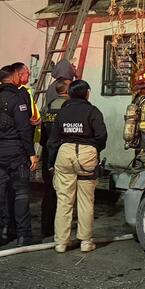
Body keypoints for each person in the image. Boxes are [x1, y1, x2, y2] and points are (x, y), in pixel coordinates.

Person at [47, 80, 107, 253]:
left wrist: (51, 163)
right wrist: (93, 148)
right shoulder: (93, 111)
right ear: (86, 93)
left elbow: (53, 139)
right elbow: (102, 136)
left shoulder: (63, 112)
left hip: (65, 153)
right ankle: (86, 242)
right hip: (87, 154)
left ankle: (60, 242)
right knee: (86, 200)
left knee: (64, 200)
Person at [0, 65, 38, 250]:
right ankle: (23, 235)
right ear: (14, 77)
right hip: (16, 153)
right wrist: (31, 153)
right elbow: (24, 130)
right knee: (21, 194)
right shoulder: (17, 101)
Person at [40, 76, 71, 238]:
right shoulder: (69, 109)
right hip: (64, 153)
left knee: (49, 191)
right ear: (67, 90)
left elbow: (42, 137)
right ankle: (62, 229)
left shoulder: (47, 108)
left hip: (48, 153)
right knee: (65, 192)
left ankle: (46, 227)